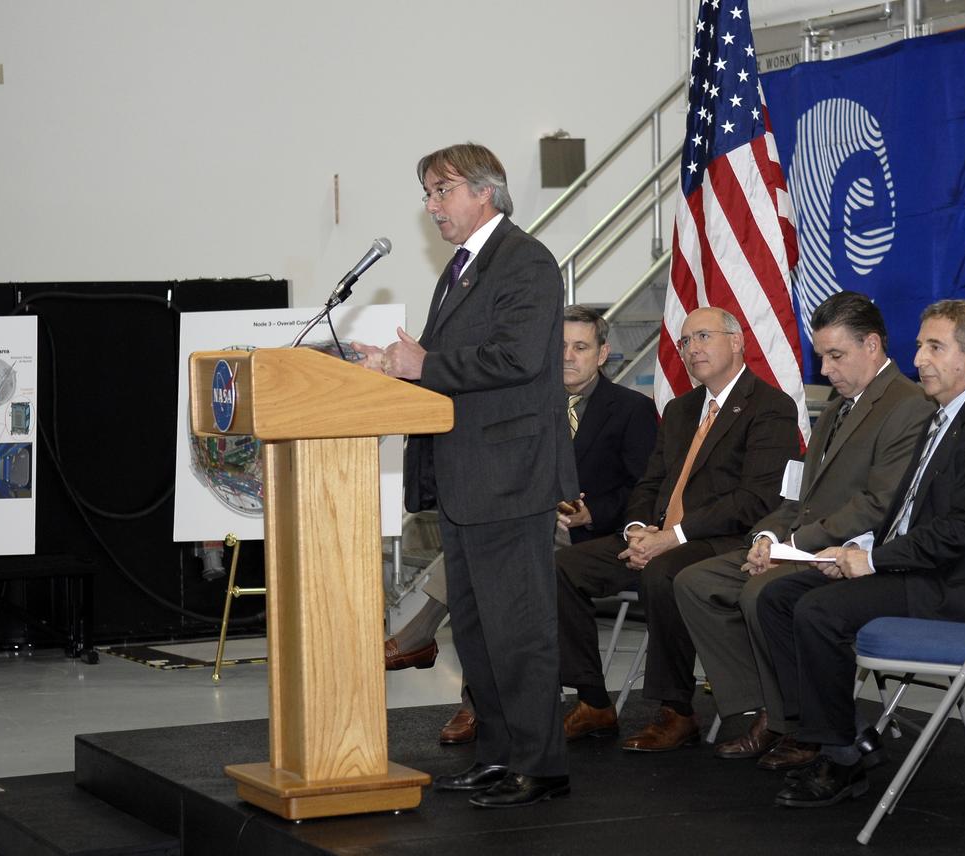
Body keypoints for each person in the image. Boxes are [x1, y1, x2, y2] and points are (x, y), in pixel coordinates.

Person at [757, 299, 965, 809]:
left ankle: (842, 757)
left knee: (818, 611)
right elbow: (909, 513)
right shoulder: (946, 415)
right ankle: (837, 731)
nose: (920, 360)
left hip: (958, 586)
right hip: (918, 566)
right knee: (779, 596)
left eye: (936, 347)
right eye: (919, 345)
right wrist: (856, 547)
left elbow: (964, 532)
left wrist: (873, 561)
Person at [367, 142, 577, 808]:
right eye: (427, 194)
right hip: (466, 477)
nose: (431, 206)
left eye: (441, 191)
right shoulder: (462, 268)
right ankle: (497, 754)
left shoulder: (526, 262)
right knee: (479, 630)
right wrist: (402, 367)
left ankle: (540, 764)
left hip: (509, 477)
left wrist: (422, 365)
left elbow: (514, 358)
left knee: (519, 627)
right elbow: (449, 361)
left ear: (484, 191)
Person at [673, 291, 933, 771]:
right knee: (695, 582)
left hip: (847, 552)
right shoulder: (836, 409)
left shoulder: (908, 406)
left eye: (836, 356)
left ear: (872, 345)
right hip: (802, 545)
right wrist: (766, 539)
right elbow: (797, 496)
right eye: (822, 357)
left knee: (761, 593)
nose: (826, 369)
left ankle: (792, 718)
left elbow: (878, 505)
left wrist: (794, 546)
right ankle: (767, 707)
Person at [382, 304, 658, 747]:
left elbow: (644, 487)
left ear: (603, 353)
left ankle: (441, 657)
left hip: (592, 536)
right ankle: (480, 696)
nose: (568, 356)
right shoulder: (529, 402)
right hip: (528, 524)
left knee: (492, 549)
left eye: (581, 347)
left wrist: (596, 512)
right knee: (487, 543)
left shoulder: (632, 409)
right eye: (560, 346)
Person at [556, 306, 799, 752]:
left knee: (663, 572)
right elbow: (649, 482)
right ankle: (593, 700)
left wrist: (673, 537)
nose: (693, 349)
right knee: (563, 566)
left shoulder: (770, 408)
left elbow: (757, 500)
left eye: (704, 337)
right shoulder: (681, 409)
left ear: (736, 341)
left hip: (719, 541)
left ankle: (676, 710)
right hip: (658, 537)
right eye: (686, 342)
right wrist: (635, 529)